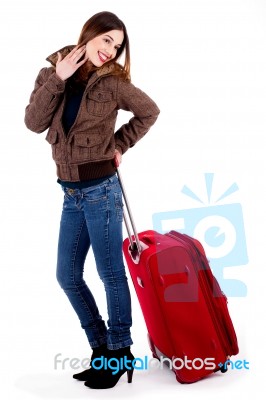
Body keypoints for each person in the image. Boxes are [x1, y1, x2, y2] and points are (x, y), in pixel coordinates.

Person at [24, 11, 160, 390]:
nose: (110, 51)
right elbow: (33, 123)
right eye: (106, 41)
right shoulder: (52, 74)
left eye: (117, 47)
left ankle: (119, 352)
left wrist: (119, 143)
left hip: (101, 190)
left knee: (110, 273)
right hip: (70, 194)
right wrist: (58, 79)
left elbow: (149, 111)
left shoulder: (114, 84)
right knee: (66, 276)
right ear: (90, 35)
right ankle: (102, 348)